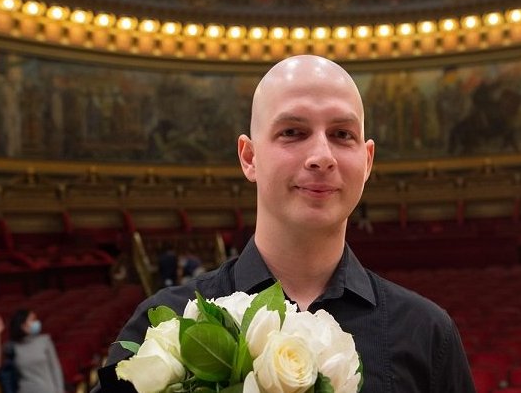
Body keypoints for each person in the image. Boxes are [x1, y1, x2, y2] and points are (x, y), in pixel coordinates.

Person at [93, 55, 474, 392]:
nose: (321, 156)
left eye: (342, 135)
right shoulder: (166, 326)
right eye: (292, 132)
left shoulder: (427, 333)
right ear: (249, 157)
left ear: (367, 160)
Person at [6, 309, 63, 393]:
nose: (36, 323)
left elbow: (55, 369)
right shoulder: (12, 347)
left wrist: (60, 390)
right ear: (23, 325)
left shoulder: (45, 341)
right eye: (33, 320)